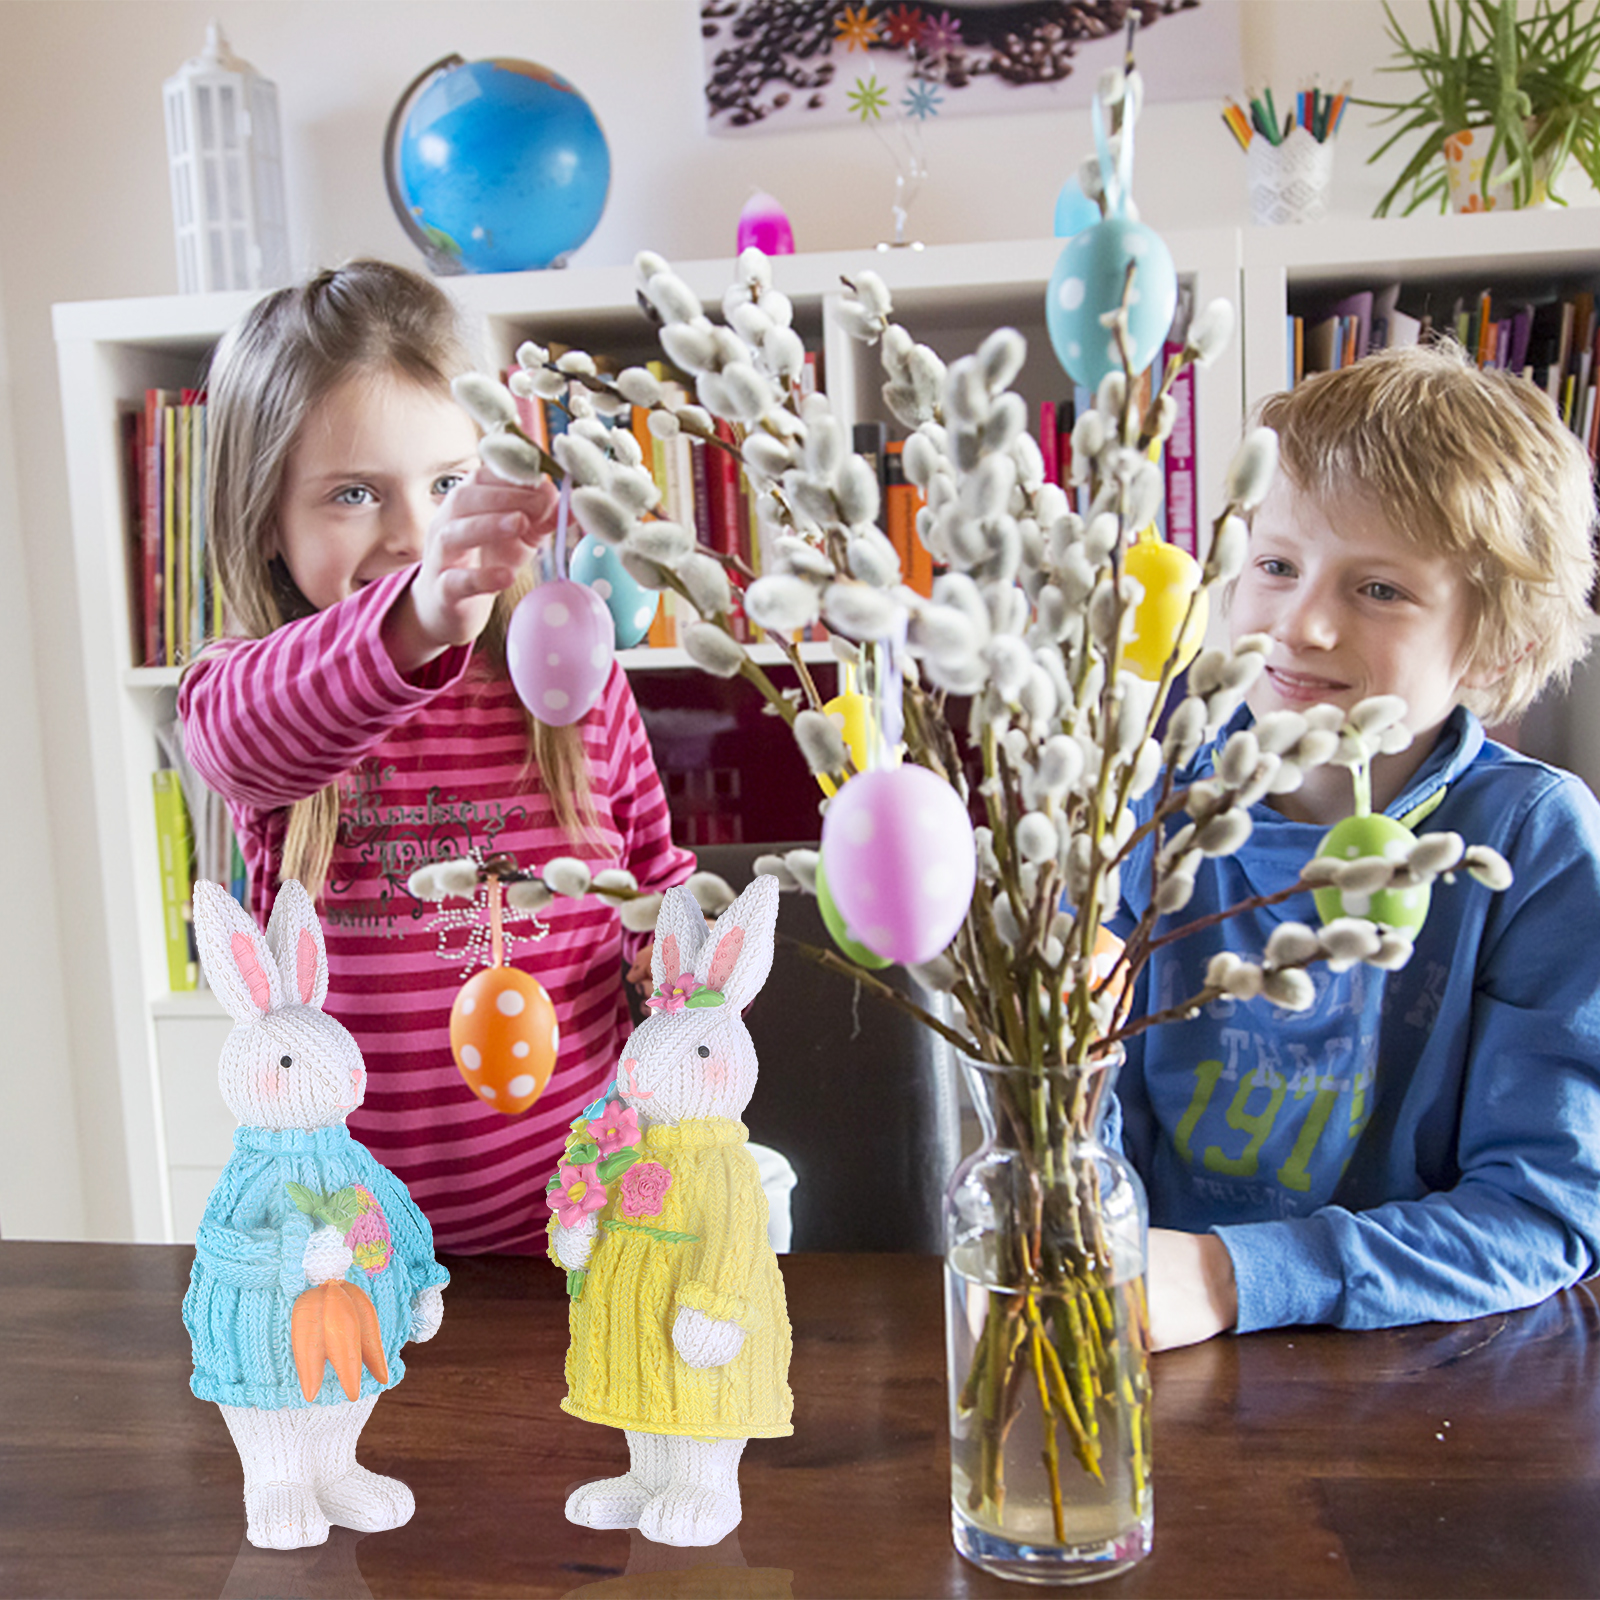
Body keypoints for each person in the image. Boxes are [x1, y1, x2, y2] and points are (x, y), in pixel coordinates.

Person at [180, 260, 695, 1255]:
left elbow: (653, 888)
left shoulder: (566, 678)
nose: (416, 534)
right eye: (353, 494)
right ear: (266, 521)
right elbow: (229, 739)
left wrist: (679, 966)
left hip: (584, 1232)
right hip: (349, 1249)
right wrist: (415, 620)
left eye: (449, 484)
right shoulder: (275, 691)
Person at [1116, 342, 1600, 1349]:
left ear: (1497, 644)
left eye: (1378, 589)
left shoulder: (1534, 843)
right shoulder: (1141, 800)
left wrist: (1233, 1276)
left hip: (1428, 1367)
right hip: (1151, 1354)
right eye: (1276, 567)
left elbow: (1549, 1211)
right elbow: (1076, 1138)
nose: (1302, 625)